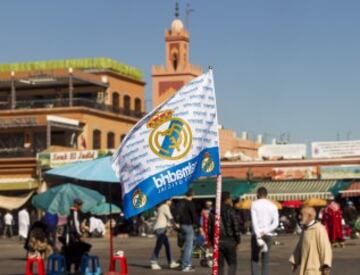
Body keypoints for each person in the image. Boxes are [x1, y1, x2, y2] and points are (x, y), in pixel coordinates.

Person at [289, 206, 332, 275]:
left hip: (315, 268)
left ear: (310, 216)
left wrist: (325, 265)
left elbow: (325, 248)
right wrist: (295, 261)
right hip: (305, 266)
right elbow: (299, 246)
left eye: (302, 215)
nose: (299, 217)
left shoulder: (319, 229)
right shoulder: (305, 229)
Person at [209, 192, 241, 275]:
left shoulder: (213, 211)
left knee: (219, 265)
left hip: (218, 241)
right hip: (230, 240)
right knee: (232, 264)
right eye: (230, 198)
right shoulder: (230, 210)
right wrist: (238, 240)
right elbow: (235, 226)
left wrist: (212, 242)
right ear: (227, 199)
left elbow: (210, 229)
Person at [250, 187, 279, 275]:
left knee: (255, 259)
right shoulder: (273, 205)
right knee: (265, 259)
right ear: (266, 195)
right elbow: (276, 223)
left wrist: (258, 233)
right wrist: (265, 230)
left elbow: (254, 221)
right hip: (268, 234)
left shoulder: (254, 204)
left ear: (258, 194)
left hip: (256, 234)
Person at [61, 198, 91, 273]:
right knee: (76, 253)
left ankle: (69, 270)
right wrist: (79, 236)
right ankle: (75, 269)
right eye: (80, 205)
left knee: (69, 254)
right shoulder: (73, 212)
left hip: (69, 236)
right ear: (76, 205)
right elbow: (74, 226)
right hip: (72, 237)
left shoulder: (70, 212)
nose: (81, 207)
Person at [178, 189, 203, 272]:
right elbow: (194, 216)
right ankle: (185, 265)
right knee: (189, 246)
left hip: (181, 225)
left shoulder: (180, 202)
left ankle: (186, 263)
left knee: (186, 245)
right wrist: (200, 226)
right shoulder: (190, 203)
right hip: (188, 225)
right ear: (192, 195)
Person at [150, 200, 180, 270]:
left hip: (161, 228)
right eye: (170, 200)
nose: (171, 202)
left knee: (167, 245)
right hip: (161, 228)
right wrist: (176, 227)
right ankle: (153, 261)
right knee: (159, 245)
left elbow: (165, 219)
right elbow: (170, 217)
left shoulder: (161, 206)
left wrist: (172, 226)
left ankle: (171, 262)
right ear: (167, 201)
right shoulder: (165, 206)